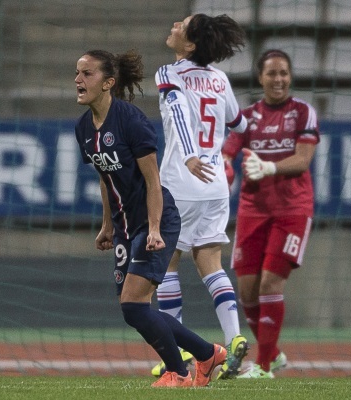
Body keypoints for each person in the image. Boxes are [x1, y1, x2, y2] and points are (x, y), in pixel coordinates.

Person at [73, 49, 228, 388]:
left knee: (133, 305)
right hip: (126, 227)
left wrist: (155, 229)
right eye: (77, 73)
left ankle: (180, 372)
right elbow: (105, 178)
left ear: (108, 82)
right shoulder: (83, 128)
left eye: (87, 74)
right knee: (133, 309)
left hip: (156, 220)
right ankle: (207, 353)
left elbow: (153, 181)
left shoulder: (131, 120)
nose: (78, 80)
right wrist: (108, 225)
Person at [152, 13, 249, 380]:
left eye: (182, 25)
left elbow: (176, 111)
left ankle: (175, 353)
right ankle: (235, 337)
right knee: (211, 262)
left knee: (167, 266)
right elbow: (239, 124)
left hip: (181, 180)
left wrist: (190, 154)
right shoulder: (220, 79)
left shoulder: (169, 73)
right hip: (215, 186)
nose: (174, 24)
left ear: (190, 45)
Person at [222, 49, 320, 378]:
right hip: (252, 211)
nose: (278, 80)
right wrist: (224, 170)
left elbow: (304, 159)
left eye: (283, 74)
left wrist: (267, 167)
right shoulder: (247, 117)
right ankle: (273, 354)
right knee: (246, 290)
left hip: (292, 210)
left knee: (269, 284)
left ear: (290, 77)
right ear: (260, 78)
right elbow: (228, 152)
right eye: (271, 74)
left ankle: (263, 366)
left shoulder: (303, 112)